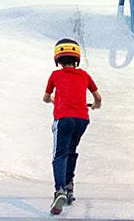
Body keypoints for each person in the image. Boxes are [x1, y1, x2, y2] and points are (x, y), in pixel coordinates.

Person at [43, 38, 102, 214]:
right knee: (71, 151)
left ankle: (59, 190)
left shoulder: (55, 75)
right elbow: (98, 98)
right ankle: (69, 188)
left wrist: (56, 100)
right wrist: (96, 105)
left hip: (64, 119)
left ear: (58, 59)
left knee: (59, 155)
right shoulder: (84, 75)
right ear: (76, 58)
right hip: (82, 120)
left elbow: (46, 98)